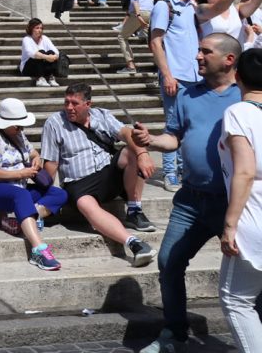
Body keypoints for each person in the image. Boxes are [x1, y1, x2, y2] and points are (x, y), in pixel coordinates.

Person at [130, 33, 241, 353]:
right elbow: (173, 139)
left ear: (229, 59)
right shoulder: (187, 95)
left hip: (233, 203)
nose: (198, 57)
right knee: (169, 261)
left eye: (206, 52)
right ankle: (174, 333)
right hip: (191, 201)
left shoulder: (246, 96)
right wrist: (150, 140)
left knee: (252, 268)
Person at [151, 0, 256, 190]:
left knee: (192, 124)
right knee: (173, 124)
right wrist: (167, 75)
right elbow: (155, 41)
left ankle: (184, 169)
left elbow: (219, 8)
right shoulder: (164, 5)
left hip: (194, 74)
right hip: (176, 75)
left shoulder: (191, 6)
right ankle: (170, 173)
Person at [40, 83, 157, 267]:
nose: (69, 107)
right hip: (78, 182)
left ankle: (134, 210)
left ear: (88, 104)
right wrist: (43, 191)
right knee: (85, 204)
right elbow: (51, 164)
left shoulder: (101, 115)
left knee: (131, 150)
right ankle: (135, 244)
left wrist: (143, 155)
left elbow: (126, 133)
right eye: (66, 102)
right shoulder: (54, 123)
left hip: (107, 173)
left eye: (75, 103)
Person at [0, 98, 67, 271]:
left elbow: (33, 153)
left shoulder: (16, 133)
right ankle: (38, 250)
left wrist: (36, 161)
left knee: (59, 194)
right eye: (18, 125)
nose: (21, 129)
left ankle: (20, 219)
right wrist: (22, 173)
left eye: (22, 125)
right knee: (21, 196)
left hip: (17, 186)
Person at [218, 47, 262, 351]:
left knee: (236, 299)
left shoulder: (238, 112)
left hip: (254, 213)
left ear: (238, 77)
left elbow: (244, 171)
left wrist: (230, 225)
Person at [198, 0, 262, 46]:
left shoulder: (235, 9)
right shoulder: (201, 9)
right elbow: (218, 8)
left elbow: (254, 3)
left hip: (236, 55)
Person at [19, 18, 60, 87]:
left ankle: (51, 78)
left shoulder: (45, 38)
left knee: (51, 52)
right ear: (31, 29)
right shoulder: (27, 39)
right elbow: (31, 53)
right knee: (41, 52)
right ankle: (39, 79)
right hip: (28, 68)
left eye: (41, 28)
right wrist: (47, 57)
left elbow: (56, 52)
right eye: (37, 28)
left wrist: (54, 56)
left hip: (42, 67)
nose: (40, 30)